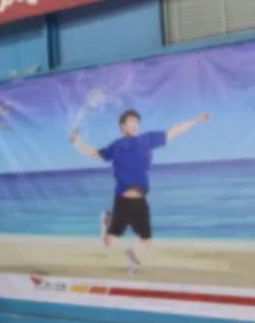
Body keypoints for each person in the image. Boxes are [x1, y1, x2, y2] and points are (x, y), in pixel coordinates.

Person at [71, 109, 210, 275]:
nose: (134, 125)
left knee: (147, 242)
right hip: (122, 202)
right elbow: (95, 154)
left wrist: (195, 120)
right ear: (122, 127)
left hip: (140, 201)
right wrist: (77, 142)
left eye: (136, 122)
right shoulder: (116, 146)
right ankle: (106, 224)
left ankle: (132, 255)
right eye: (130, 122)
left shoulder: (147, 140)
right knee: (108, 243)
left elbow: (174, 132)